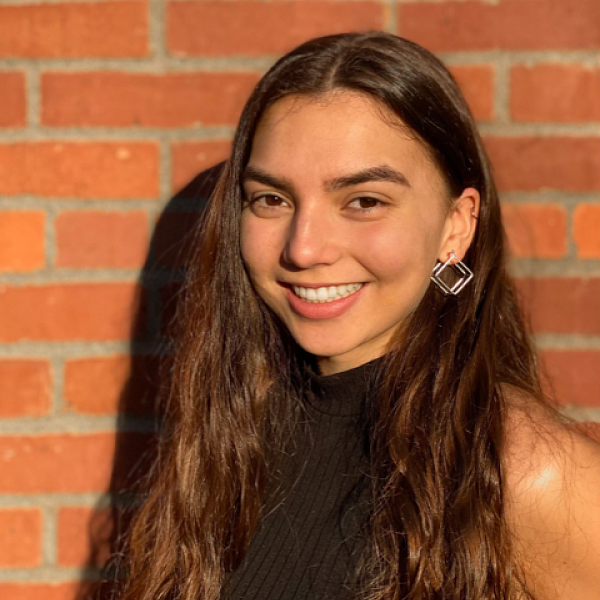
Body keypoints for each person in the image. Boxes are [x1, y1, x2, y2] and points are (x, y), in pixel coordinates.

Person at [116, 32, 600, 600]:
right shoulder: (234, 437)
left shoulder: (525, 469)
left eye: (364, 201)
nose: (304, 248)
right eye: (271, 199)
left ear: (456, 226)